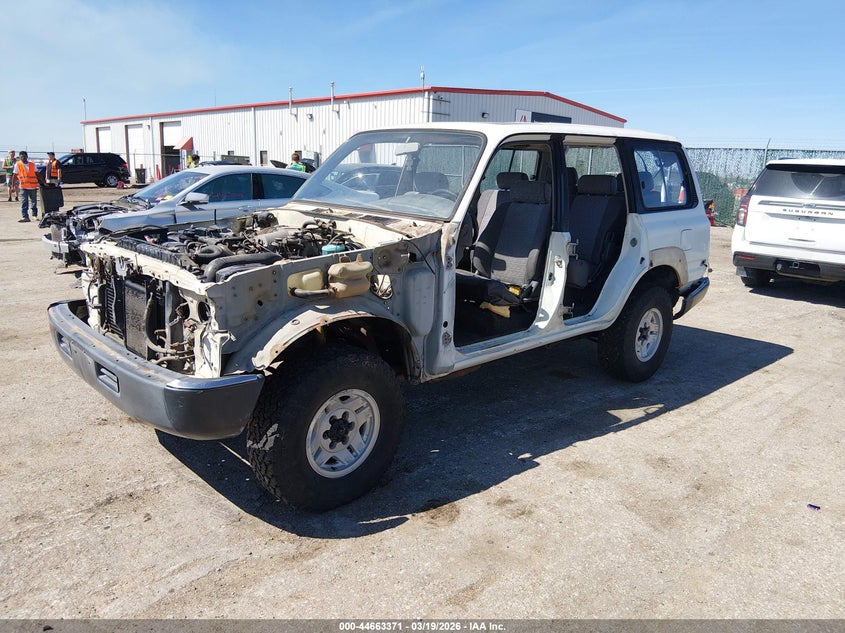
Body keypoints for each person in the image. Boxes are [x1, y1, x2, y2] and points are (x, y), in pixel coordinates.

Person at [14, 150, 42, 222]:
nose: (22, 158)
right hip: (23, 186)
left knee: (33, 202)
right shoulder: (18, 165)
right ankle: (25, 216)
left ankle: (34, 215)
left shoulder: (32, 164)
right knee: (24, 202)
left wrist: (43, 182)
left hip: (32, 187)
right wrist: (12, 185)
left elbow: (37, 174)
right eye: (21, 157)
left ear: (27, 156)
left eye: (24, 156)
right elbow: (14, 175)